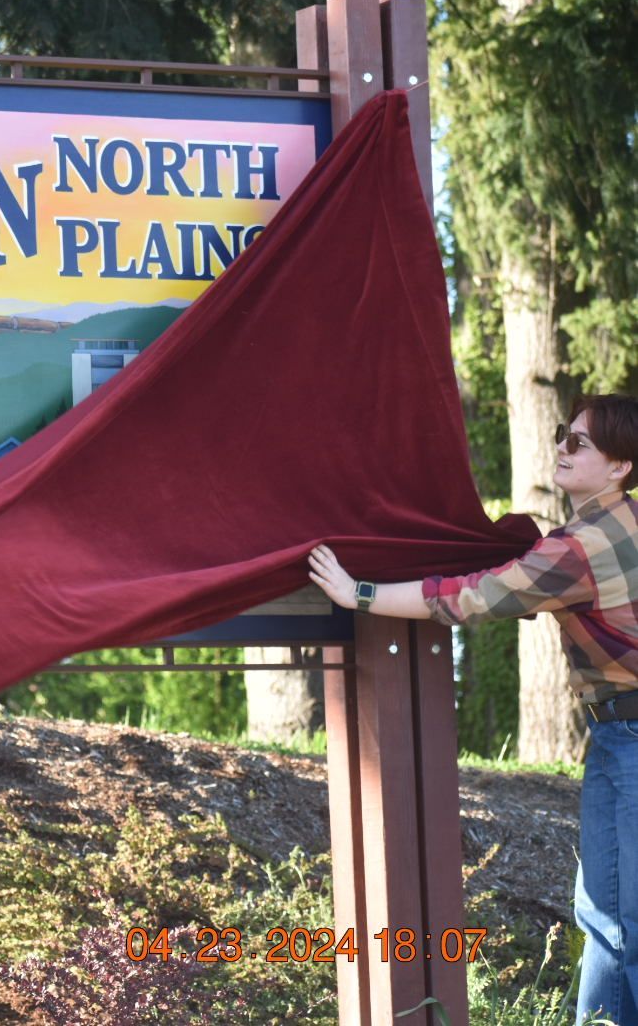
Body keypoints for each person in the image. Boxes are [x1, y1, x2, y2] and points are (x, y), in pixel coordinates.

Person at [309, 393, 638, 1026]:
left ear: (620, 466)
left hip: (629, 738)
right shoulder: (625, 524)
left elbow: (475, 597)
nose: (563, 450)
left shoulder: (580, 550)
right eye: (563, 436)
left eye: (581, 444)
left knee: (614, 919)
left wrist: (360, 593)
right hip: (624, 730)